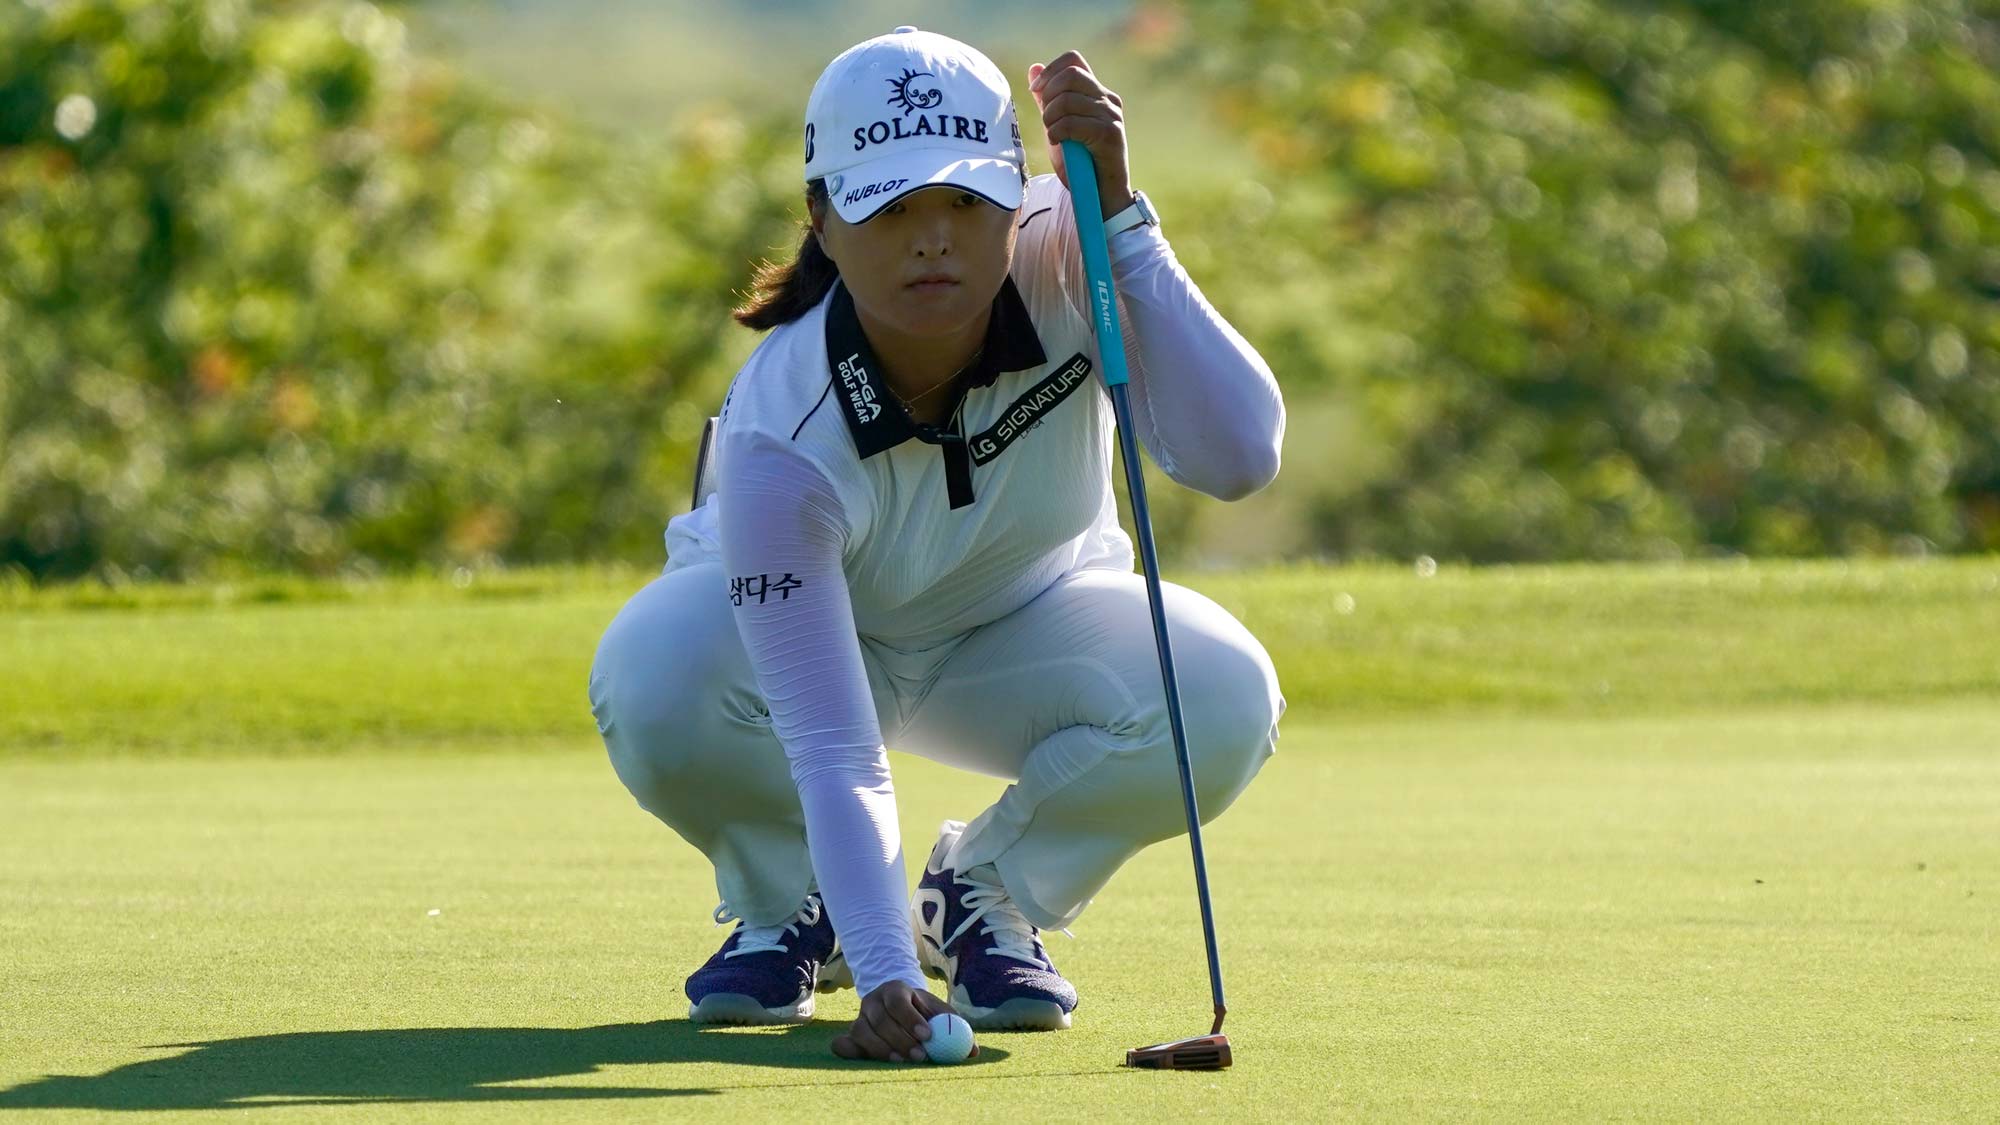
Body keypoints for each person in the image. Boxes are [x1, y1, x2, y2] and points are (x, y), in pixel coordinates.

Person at [588, 26, 1286, 1064]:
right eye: (890, 207)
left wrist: (1125, 224)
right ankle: (801, 906)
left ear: (1016, 199)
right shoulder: (780, 423)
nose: (932, 240)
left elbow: (1236, 456)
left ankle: (983, 889)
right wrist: (881, 975)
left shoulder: (1069, 252)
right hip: (812, 652)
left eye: (965, 202)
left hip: (1021, 633)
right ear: (823, 222)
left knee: (1223, 691)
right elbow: (832, 745)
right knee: (653, 669)